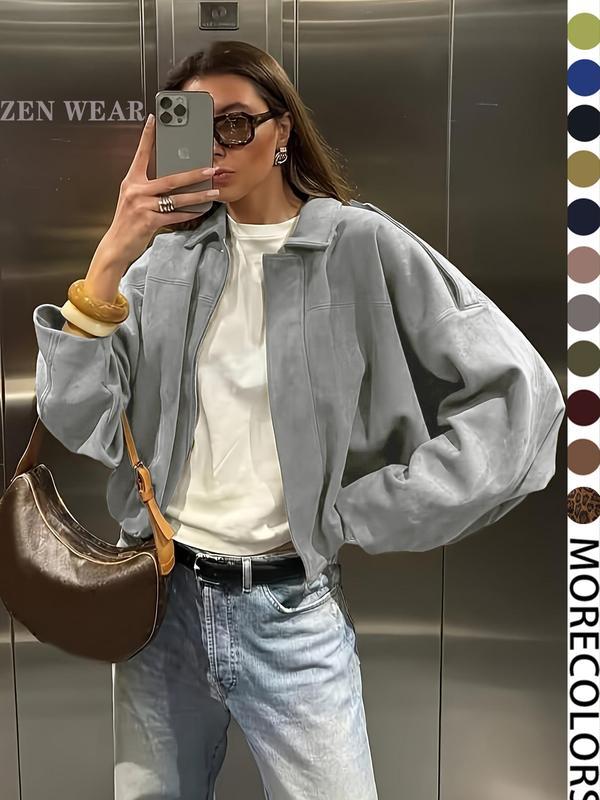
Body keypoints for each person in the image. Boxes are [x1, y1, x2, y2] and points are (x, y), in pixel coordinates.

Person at [32, 41, 564, 800]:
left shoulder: (357, 244)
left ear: (282, 130)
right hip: (158, 608)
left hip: (290, 614)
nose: (216, 148)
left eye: (235, 124)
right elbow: (75, 416)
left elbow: (521, 399)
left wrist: (359, 512)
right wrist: (114, 253)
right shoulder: (164, 262)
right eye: (195, 127)